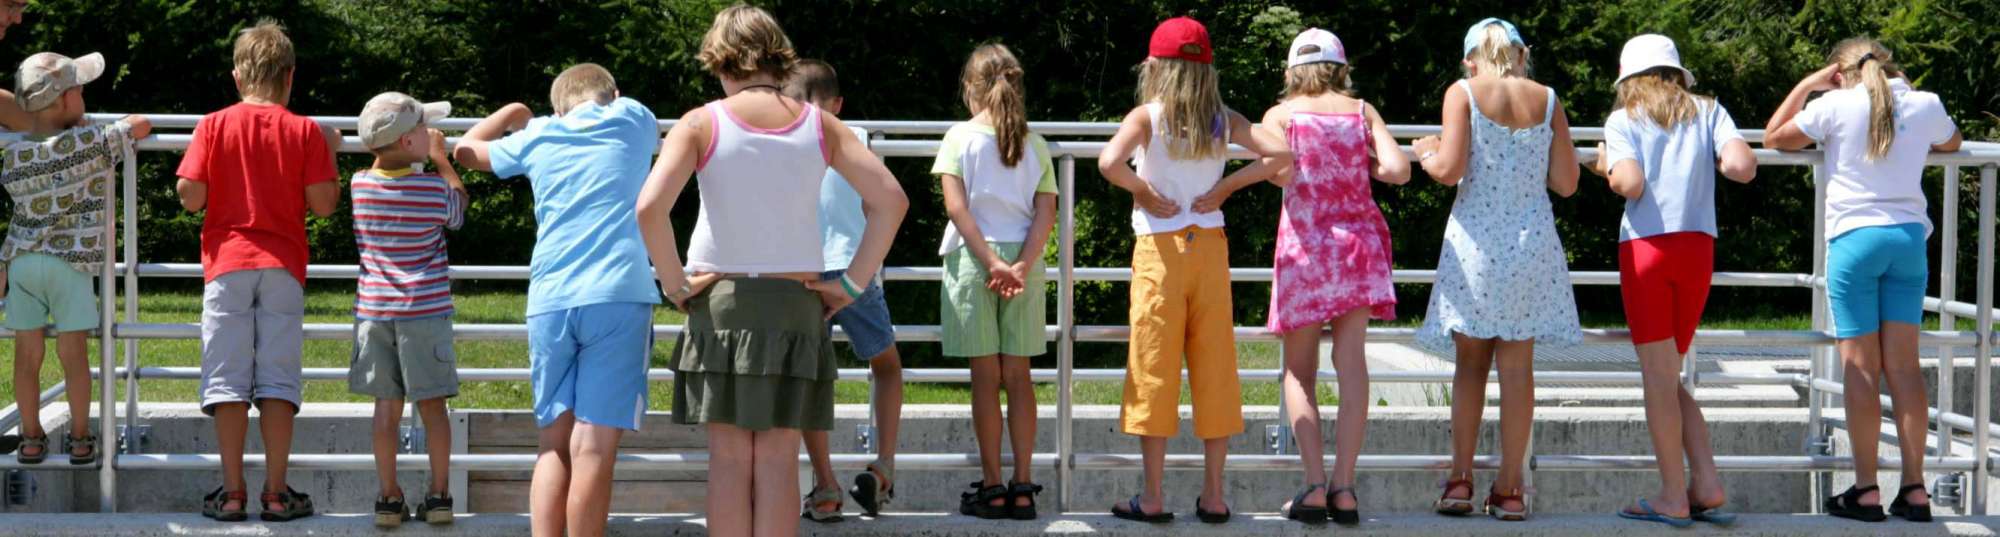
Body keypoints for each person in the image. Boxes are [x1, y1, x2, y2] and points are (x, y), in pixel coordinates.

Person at [634, 5, 907, 536]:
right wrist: (850, 285)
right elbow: (891, 201)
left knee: (731, 462)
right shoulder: (820, 124)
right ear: (777, 55)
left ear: (720, 58)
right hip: (795, 305)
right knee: (781, 461)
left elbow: (649, 209)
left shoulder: (700, 122)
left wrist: (673, 282)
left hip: (720, 305)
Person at [452, 64, 661, 537]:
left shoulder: (539, 135)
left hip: (550, 299)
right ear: (614, 93)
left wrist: (514, 113)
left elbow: (465, 149)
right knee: (593, 448)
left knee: (552, 445)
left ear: (557, 107)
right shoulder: (632, 117)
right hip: (617, 296)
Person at [1098, 15, 1291, 524]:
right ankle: (1213, 494)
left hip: (1160, 250)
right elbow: (1281, 153)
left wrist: (1143, 191)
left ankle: (1154, 495)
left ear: (1156, 67)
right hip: (1209, 245)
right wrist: (1226, 187)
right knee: (1214, 367)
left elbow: (1107, 163)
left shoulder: (1147, 116)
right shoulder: (1221, 118)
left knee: (1153, 367)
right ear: (1207, 69)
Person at [1213, 28, 1409, 525]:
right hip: (1358, 250)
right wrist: (1358, 160)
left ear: (1290, 71)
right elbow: (1399, 168)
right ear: (1341, 68)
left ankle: (1314, 485)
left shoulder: (1282, 116)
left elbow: (1278, 172)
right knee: (1352, 367)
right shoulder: (1361, 111)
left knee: (1298, 370)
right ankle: (1346, 487)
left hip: (1305, 250)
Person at [1765, 37, 1961, 524]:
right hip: (1908, 241)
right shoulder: (1923, 102)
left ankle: (1867, 490)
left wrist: (1810, 84)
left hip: (1853, 242)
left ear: (1841, 71)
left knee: (1860, 370)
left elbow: (1773, 137)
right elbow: (1952, 143)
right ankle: (1916, 490)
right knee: (1906, 369)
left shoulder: (1834, 104)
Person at [1411, 17, 1581, 522]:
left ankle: (1460, 482)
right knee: (1517, 371)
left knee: (1469, 369)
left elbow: (1448, 169)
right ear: (1522, 54)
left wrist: (1424, 154)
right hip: (1531, 246)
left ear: (1470, 58)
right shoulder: (1547, 100)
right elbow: (1567, 183)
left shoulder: (1462, 92)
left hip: (1477, 245)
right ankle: (1509, 490)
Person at [175, 19, 340, 523]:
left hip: (226, 267)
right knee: (277, 381)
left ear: (237, 77)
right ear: (290, 78)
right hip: (283, 268)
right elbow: (324, 205)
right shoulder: (305, 130)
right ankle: (275, 492)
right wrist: (329, 149)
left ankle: (230, 493)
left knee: (225, 379)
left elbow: (190, 197)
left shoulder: (213, 124)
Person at [1588, 35, 1756, 528]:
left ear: (1629, 80)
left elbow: (1629, 183)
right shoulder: (1709, 111)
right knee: (1670, 377)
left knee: (1659, 382)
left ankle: (1671, 496)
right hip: (1698, 249)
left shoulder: (1623, 120)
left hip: (1647, 251)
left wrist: (1603, 165)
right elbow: (1742, 166)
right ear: (1678, 73)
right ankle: (1705, 482)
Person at [2, 51, 150, 466]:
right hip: (71, 265)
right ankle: (82, 438)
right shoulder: (88, 143)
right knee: (74, 356)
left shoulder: (13, 153)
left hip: (24, 262)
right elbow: (139, 124)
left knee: (27, 358)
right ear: (64, 101)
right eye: (80, 90)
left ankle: (31, 438)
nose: (84, 95)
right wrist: (89, 129)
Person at [933, 43, 1057, 521]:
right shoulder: (1036, 143)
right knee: (1020, 379)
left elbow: (956, 208)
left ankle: (992, 485)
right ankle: (1023, 486)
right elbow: (1045, 213)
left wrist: (990, 263)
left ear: (972, 89)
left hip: (974, 263)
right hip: (1024, 265)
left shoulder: (958, 137)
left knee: (985, 380)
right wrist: (1021, 266)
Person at [785, 59, 907, 522]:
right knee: (887, 365)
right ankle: (885, 466)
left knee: (810, 380)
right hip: (855, 270)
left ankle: (825, 485)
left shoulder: (783, 140)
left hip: (804, 273)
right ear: (837, 103)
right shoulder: (854, 134)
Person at [348, 92, 466, 528]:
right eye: (423, 130)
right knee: (433, 407)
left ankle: (388, 495)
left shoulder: (360, 185)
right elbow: (458, 212)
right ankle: (438, 495)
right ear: (408, 142)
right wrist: (442, 161)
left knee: (386, 408)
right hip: (426, 311)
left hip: (375, 311)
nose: (430, 134)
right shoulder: (433, 188)